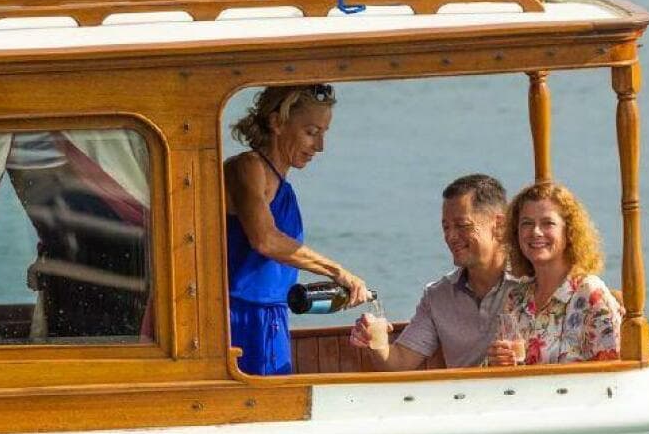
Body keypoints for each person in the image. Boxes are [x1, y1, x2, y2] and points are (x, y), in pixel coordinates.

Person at [224, 84, 370, 375]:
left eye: (323, 133)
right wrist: (337, 271)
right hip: (240, 316)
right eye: (311, 132)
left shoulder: (282, 185)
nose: (320, 146)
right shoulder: (248, 167)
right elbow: (265, 240)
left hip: (273, 315)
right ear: (277, 123)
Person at [349, 173, 512, 371]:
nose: (451, 236)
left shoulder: (531, 283)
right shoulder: (438, 296)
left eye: (462, 225)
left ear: (499, 225)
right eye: (446, 227)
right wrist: (377, 343)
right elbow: (399, 363)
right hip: (461, 392)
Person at [486, 181, 622, 366]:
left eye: (548, 223)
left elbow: (612, 373)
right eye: (527, 223)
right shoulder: (516, 298)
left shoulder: (591, 295)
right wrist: (497, 363)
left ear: (569, 231)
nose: (536, 232)